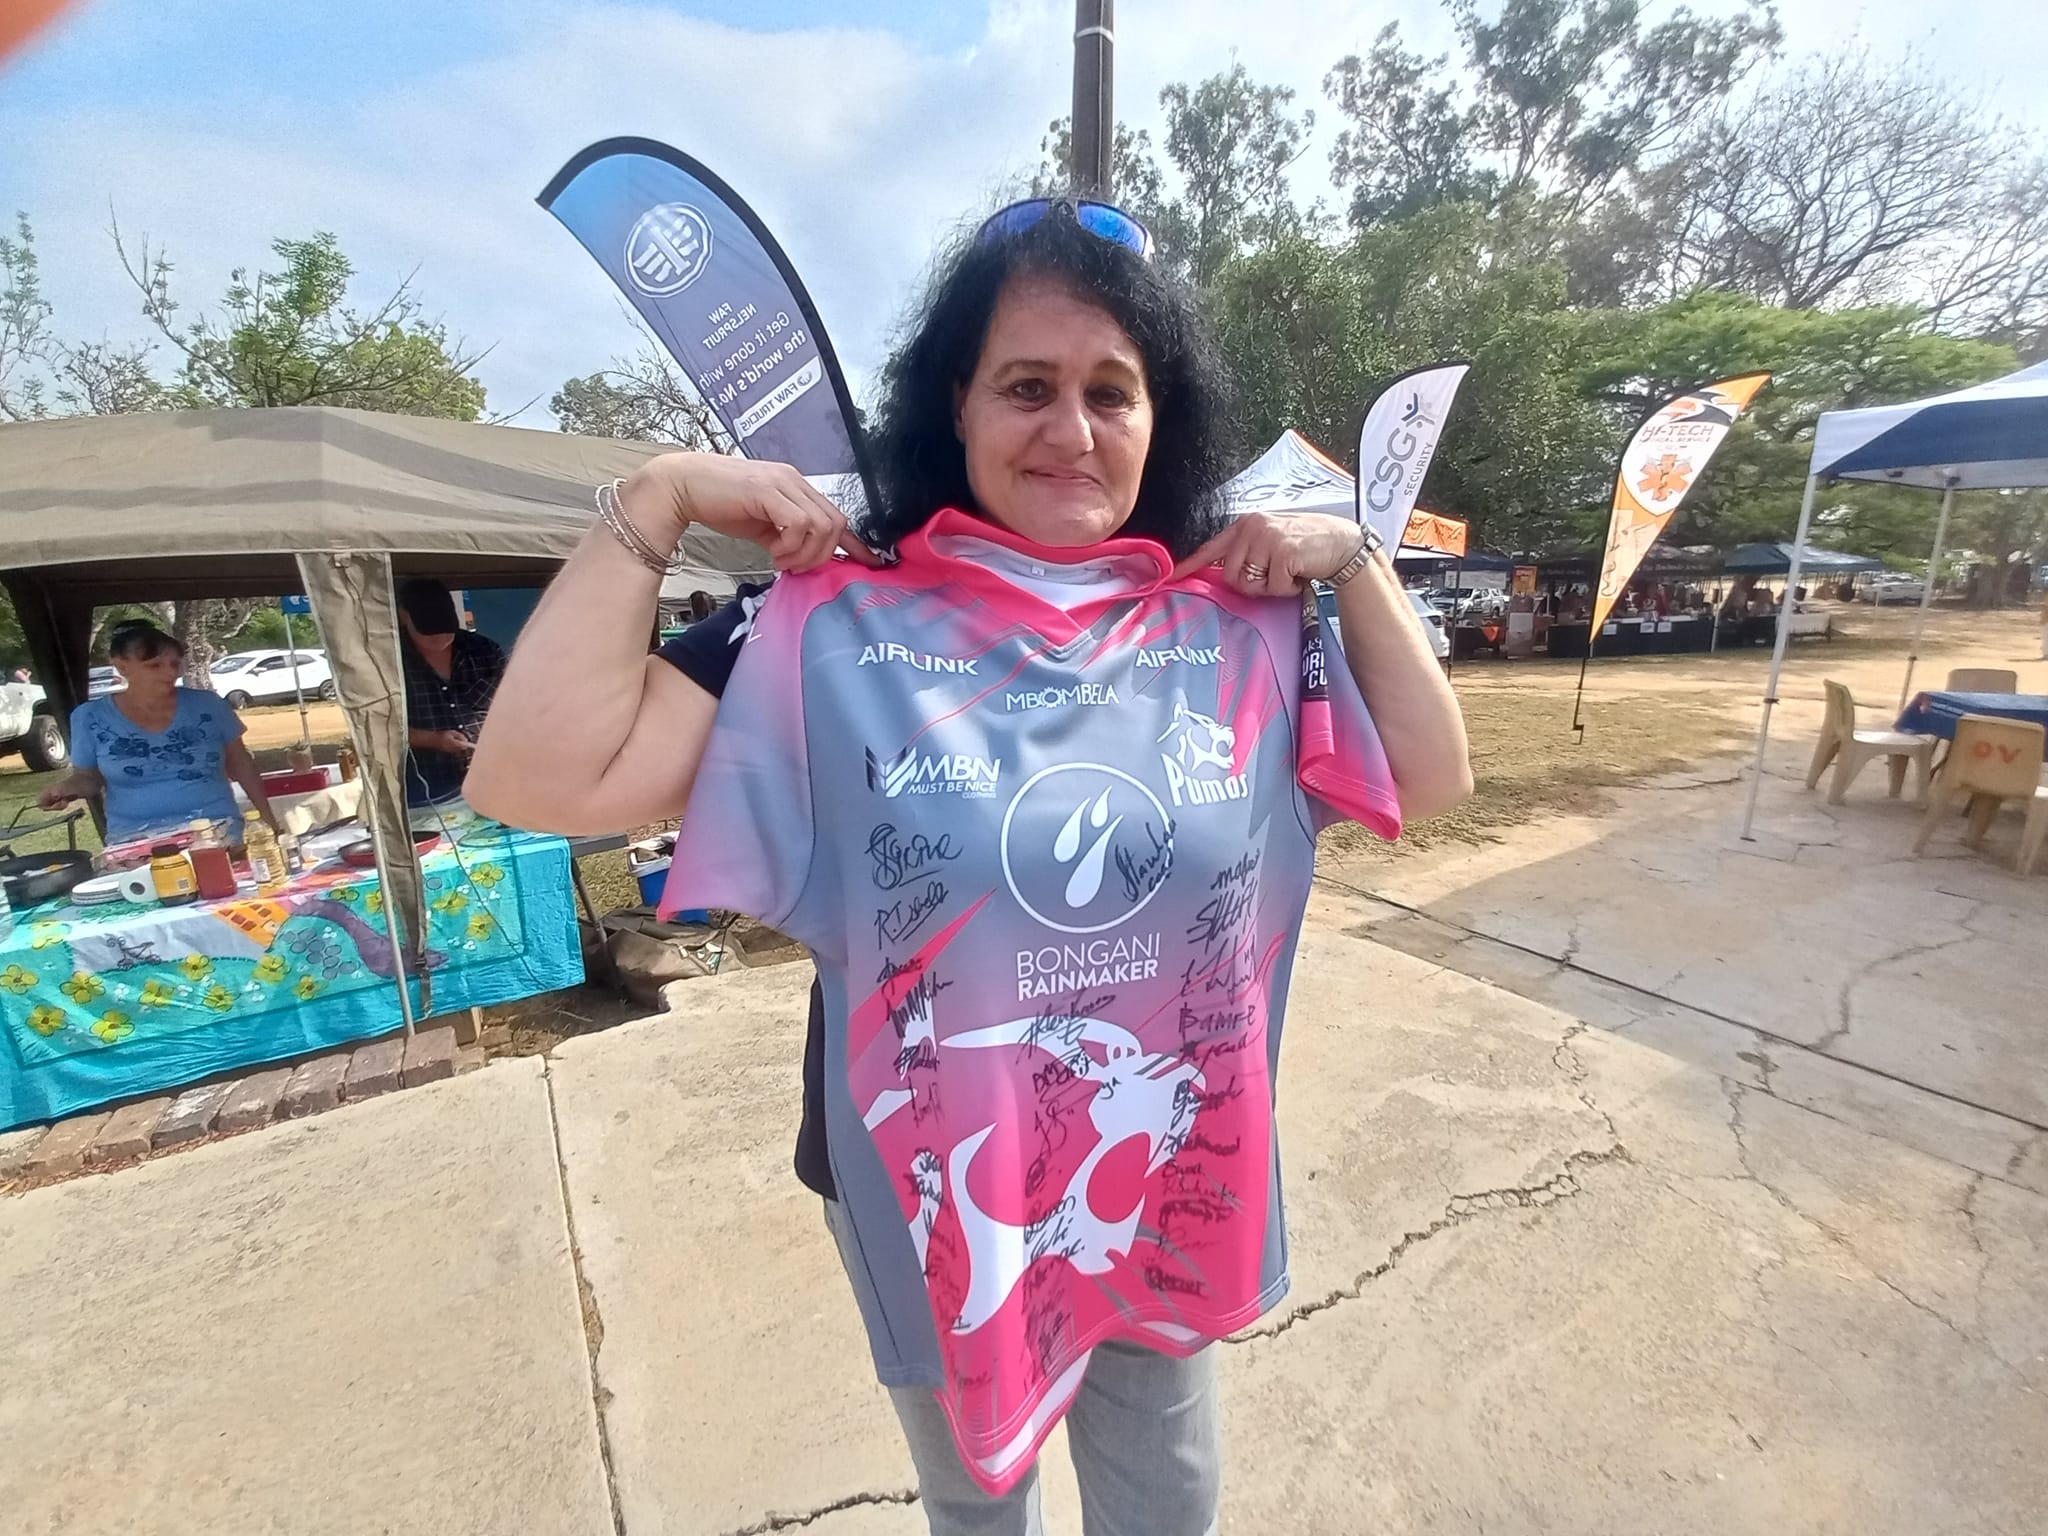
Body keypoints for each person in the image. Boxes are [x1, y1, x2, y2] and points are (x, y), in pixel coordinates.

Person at [467, 196, 1471, 1534]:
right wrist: (654, 500)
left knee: (1165, 1491)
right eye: (1026, 386)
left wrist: (1354, 561)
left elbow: (1434, 775)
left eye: (1110, 392)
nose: (1072, 430)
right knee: (979, 1505)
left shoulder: (1242, 629)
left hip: (1156, 1164)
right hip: (936, 1188)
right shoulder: (828, 627)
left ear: (1159, 417)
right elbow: (538, 776)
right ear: (956, 404)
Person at [39, 618, 279, 845]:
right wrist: (66, 790)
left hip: (216, 830)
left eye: (175, 664)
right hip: (133, 840)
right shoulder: (89, 717)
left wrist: (270, 822)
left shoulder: (209, 705)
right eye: (155, 665)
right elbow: (88, 778)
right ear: (121, 666)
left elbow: (241, 764)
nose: (170, 673)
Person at [397, 578, 506, 806]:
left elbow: (516, 707)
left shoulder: (485, 651)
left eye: (447, 630)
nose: (440, 638)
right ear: (403, 617)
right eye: (428, 632)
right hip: (428, 791)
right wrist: (433, 740)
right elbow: (379, 728)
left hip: (492, 779)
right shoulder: (389, 662)